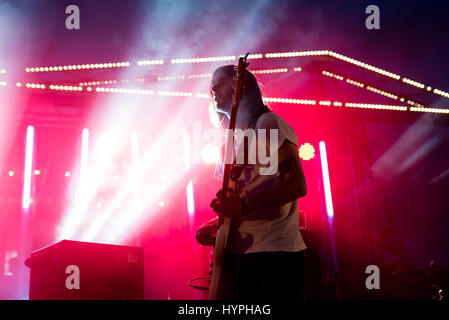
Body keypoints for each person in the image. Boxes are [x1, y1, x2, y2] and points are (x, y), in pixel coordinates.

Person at [196, 65, 307, 300]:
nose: (213, 88)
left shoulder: (268, 123)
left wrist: (245, 206)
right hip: (238, 254)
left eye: (220, 82)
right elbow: (244, 193)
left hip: (275, 254)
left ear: (241, 85)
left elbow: (296, 183)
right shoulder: (227, 139)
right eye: (211, 84)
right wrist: (219, 222)